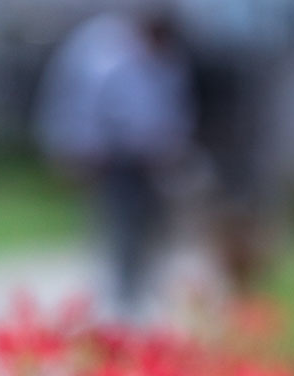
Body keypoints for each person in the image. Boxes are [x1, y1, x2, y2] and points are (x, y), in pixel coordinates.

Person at [33, 11, 195, 319]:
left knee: (155, 227)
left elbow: (176, 105)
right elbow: (78, 104)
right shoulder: (101, 50)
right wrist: (74, 149)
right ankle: (122, 299)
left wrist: (175, 148)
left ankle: (147, 292)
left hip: (153, 157)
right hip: (112, 156)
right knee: (119, 225)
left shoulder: (169, 56)